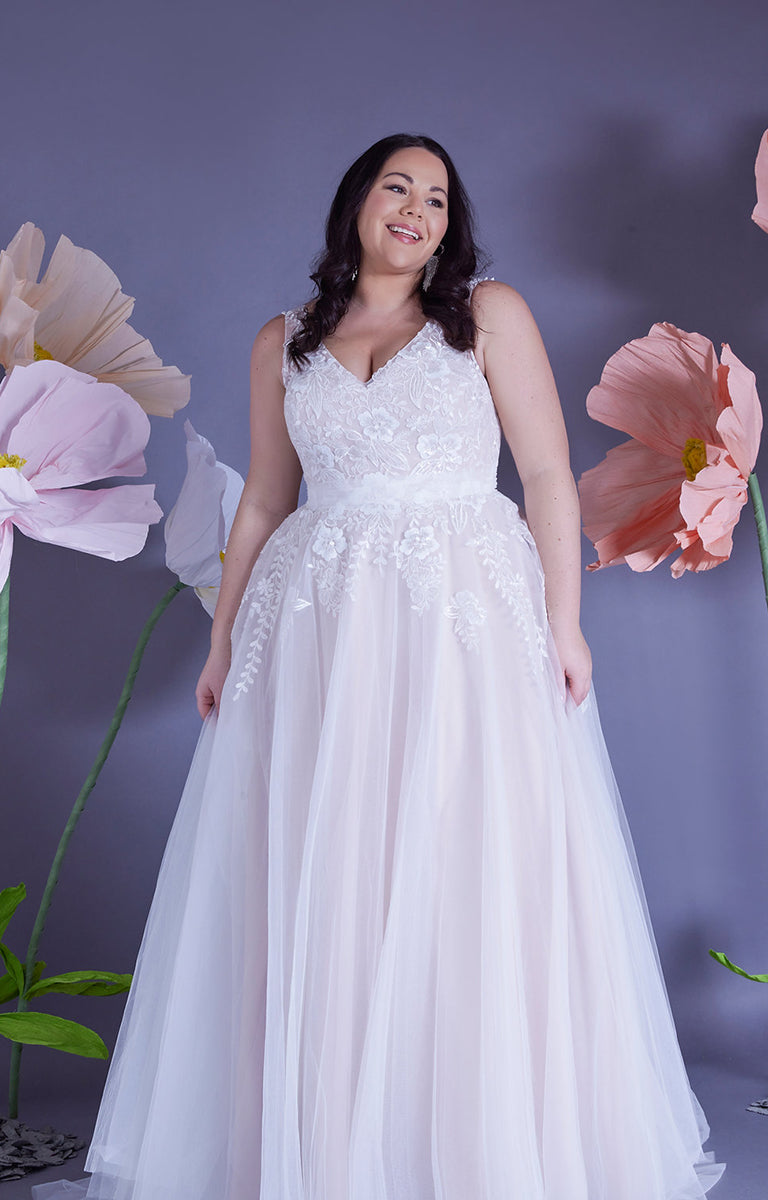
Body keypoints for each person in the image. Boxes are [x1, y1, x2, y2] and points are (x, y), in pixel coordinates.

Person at [34, 133, 724, 1200]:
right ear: (356, 201)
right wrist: (225, 642)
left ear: (452, 226)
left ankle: (471, 1140)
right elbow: (265, 498)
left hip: (464, 609)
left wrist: (565, 622)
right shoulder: (283, 340)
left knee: (465, 852)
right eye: (397, 188)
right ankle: (333, 1143)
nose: (416, 210)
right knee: (329, 861)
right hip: (318, 622)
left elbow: (545, 474)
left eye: (438, 198)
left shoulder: (489, 315)